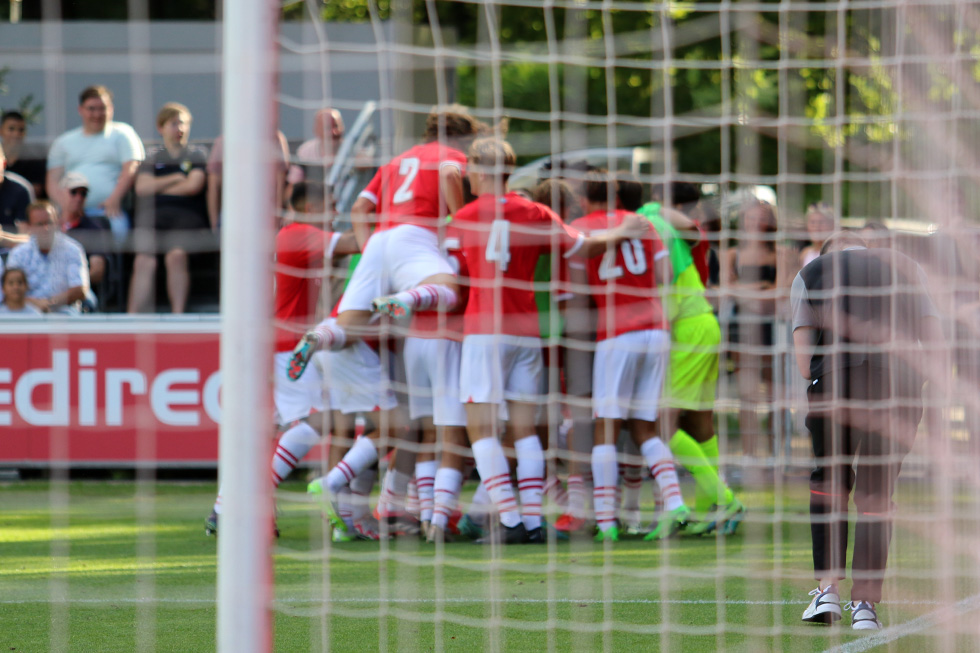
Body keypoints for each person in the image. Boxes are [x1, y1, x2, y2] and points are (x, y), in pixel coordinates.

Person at [442, 140, 651, 544]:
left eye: (470, 168)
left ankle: (509, 521)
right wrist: (621, 230)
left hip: (485, 332)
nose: (465, 175)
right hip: (526, 333)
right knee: (525, 431)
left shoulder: (464, 217)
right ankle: (534, 523)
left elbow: (450, 271)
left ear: (482, 171)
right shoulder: (534, 211)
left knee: (481, 430)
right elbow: (582, 246)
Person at [791, 230, 943, 630]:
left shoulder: (812, 272)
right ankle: (866, 607)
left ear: (829, 252)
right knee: (877, 495)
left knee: (830, 484)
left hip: (836, 389)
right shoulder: (906, 267)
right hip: (897, 389)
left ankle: (827, 592)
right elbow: (935, 344)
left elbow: (805, 365)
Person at [206, 181, 358, 536]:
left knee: (262, 433)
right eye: (331, 205)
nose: (336, 213)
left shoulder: (289, 236)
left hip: (266, 341)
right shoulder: (301, 233)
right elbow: (355, 243)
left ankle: (222, 508)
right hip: (285, 345)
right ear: (308, 207)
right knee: (320, 421)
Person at [567, 171, 695, 542]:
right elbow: (665, 274)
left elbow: (575, 269)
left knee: (606, 427)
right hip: (656, 329)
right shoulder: (642, 224)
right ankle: (674, 504)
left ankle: (606, 522)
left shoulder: (581, 225)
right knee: (645, 426)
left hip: (616, 332)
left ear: (585, 198)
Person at [619, 177, 746, 536]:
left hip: (687, 327)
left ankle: (725, 499)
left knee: (660, 423)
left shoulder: (647, 221)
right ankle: (712, 509)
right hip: (703, 321)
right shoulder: (661, 220)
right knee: (700, 424)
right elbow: (691, 232)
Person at [129, 103, 210, 314]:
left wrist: (159, 188)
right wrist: (175, 178)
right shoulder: (152, 156)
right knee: (144, 260)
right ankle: (131, 319)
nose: (179, 129)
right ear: (161, 128)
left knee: (176, 256)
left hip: (187, 218)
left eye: (183, 124)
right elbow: (142, 188)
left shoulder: (197, 155)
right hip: (154, 217)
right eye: (173, 124)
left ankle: (178, 316)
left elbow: (193, 186)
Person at [46, 85, 145, 245]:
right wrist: (67, 207)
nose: (97, 114)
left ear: (111, 109)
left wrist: (115, 198)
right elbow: (52, 181)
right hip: (68, 213)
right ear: (80, 110)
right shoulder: (63, 142)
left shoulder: (123, 134)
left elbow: (131, 168)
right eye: (91, 109)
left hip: (108, 211)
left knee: (118, 233)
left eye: (102, 108)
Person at [724, 200, 782, 460]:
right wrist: (760, 288)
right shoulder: (732, 255)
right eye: (749, 219)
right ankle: (749, 453)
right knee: (746, 394)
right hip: (742, 331)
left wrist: (746, 291)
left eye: (760, 219)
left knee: (773, 393)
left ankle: (774, 451)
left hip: (773, 331)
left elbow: (781, 293)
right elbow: (727, 291)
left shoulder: (782, 254)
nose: (754, 224)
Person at [6, 201, 89, 314]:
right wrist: (36, 305)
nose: (46, 228)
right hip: (25, 312)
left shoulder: (72, 249)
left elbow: (80, 290)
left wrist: (50, 303)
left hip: (64, 312)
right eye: (40, 224)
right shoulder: (18, 254)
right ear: (30, 227)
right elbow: (8, 291)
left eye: (49, 223)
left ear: (57, 223)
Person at [58, 172, 111, 287]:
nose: (79, 198)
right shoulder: (49, 224)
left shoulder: (93, 229)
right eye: (73, 192)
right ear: (61, 193)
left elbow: (97, 271)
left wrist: (73, 285)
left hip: (79, 289)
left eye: (83, 193)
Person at [286, 107, 345, 187]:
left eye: (336, 126)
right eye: (327, 127)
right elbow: (294, 183)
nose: (333, 132)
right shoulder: (305, 151)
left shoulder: (354, 152)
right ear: (316, 130)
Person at [1, 110, 45, 198]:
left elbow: (35, 192)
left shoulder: (34, 160)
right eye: (11, 129)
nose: (16, 134)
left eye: (21, 130)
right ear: (1, 131)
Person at [0, 141, 35, 234]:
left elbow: (26, 237)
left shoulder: (20, 191)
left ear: (4, 164)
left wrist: (4, 239)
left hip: (11, 248)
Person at [799, 202, 835, 269]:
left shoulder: (837, 252)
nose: (816, 227)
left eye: (821, 222)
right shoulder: (805, 254)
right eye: (812, 222)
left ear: (832, 225)